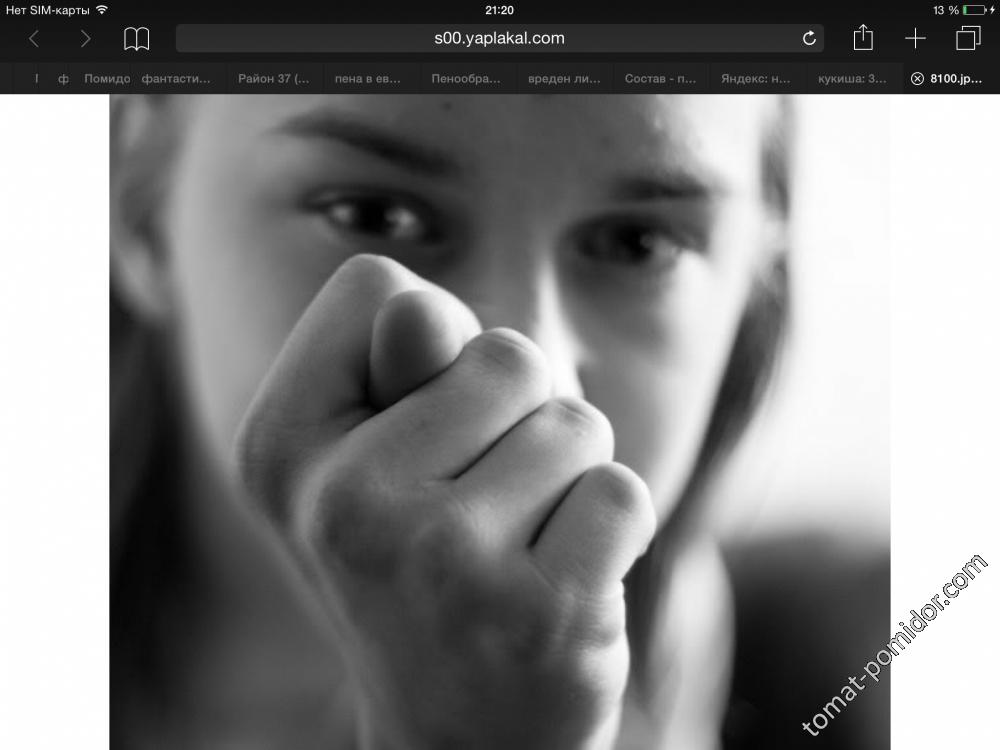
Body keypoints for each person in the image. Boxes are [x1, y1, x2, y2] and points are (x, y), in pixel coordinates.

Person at [110, 94, 790, 749]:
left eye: (636, 244)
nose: (540, 383)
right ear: (137, 205)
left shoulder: (662, 620)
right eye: (375, 215)